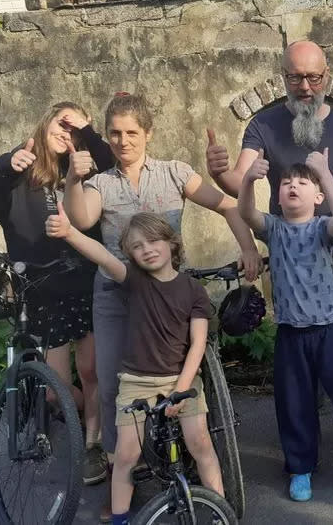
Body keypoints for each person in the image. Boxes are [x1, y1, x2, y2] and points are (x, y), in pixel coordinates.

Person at [206, 40, 333, 473]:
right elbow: (240, 181)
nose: (305, 86)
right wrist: (218, 172)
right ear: (283, 77)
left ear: (326, 75)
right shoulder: (263, 124)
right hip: (292, 264)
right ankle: (309, 448)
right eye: (295, 77)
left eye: (313, 77)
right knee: (303, 359)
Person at [62, 93, 262, 520]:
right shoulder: (100, 182)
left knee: (187, 371)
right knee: (115, 384)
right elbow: (80, 219)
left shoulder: (175, 173)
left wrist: (248, 248)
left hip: (171, 295)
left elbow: (227, 205)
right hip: (119, 294)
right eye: (114, 132)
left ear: (148, 133)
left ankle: (194, 454)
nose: (122, 140)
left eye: (132, 132)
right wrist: (72, 179)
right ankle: (125, 480)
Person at [0, 102, 112, 485]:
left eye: (73, 128)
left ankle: (92, 445)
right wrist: (6, 162)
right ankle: (78, 424)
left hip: (86, 282)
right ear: (43, 125)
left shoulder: (87, 172)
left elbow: (113, 163)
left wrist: (88, 132)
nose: (66, 133)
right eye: (60, 124)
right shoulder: (17, 177)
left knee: (92, 370)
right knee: (53, 390)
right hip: (42, 292)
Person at [45, 209, 223, 525]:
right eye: (137, 246)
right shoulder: (134, 281)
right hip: (136, 381)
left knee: (201, 444)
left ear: (172, 244)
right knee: (126, 455)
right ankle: (120, 518)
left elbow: (198, 343)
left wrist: (182, 388)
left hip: (182, 380)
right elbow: (102, 255)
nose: (147, 250)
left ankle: (219, 510)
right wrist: (70, 232)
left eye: (154, 241)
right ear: (131, 254)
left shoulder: (193, 289)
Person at [239, 148, 333, 501]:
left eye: (302, 182)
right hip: (291, 334)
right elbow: (245, 213)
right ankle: (300, 467)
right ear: (278, 197)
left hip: (330, 329)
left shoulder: (322, 228)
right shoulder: (273, 229)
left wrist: (324, 172)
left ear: (318, 197)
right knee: (294, 404)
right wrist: (248, 180)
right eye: (286, 183)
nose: (292, 186)